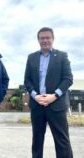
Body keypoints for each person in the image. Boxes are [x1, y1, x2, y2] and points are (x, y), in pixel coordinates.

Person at [24, 27, 73, 158]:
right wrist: (35, 96)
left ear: (53, 39)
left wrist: (54, 96)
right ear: (38, 40)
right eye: (42, 38)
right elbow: (27, 80)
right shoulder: (31, 57)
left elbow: (68, 79)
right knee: (37, 141)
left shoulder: (62, 56)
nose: (45, 40)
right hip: (37, 105)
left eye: (47, 37)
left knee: (62, 141)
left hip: (56, 105)